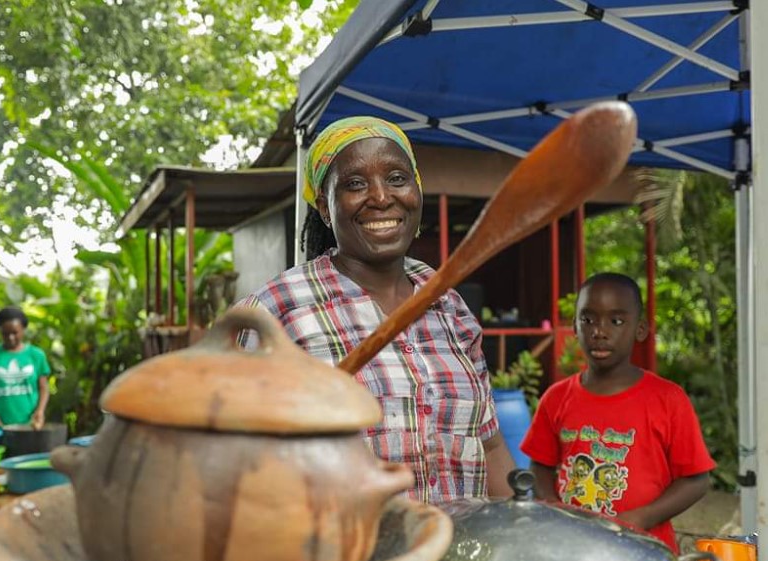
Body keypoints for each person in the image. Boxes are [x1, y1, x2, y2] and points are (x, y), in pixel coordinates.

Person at [238, 115, 515, 502]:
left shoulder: (448, 305)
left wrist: (523, 523)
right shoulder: (274, 312)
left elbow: (491, 447)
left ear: (416, 189)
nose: (382, 197)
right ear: (323, 205)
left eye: (397, 178)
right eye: (354, 184)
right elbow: (234, 465)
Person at [520, 273, 714, 553]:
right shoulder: (556, 397)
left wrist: (641, 518)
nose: (600, 331)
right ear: (574, 326)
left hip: (645, 549)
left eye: (617, 321)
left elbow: (697, 480)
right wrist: (554, 510)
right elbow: (540, 465)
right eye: (588, 319)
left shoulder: (667, 399)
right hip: (573, 548)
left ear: (641, 329)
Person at [0, 306, 51, 429]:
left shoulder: (36, 355)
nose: (11, 337)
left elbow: (43, 387)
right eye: (5, 334)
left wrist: (40, 411)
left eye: (15, 333)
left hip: (29, 425)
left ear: (23, 329)